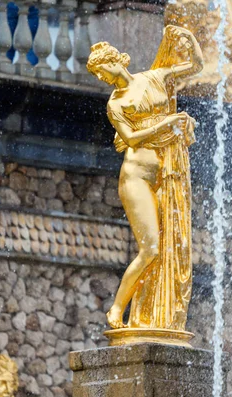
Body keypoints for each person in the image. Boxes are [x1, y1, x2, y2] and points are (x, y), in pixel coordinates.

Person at [86, 26, 203, 331]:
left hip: (166, 173)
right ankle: (116, 309)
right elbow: (132, 138)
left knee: (170, 246)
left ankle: (154, 313)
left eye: (102, 71)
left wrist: (190, 40)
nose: (102, 78)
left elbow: (196, 66)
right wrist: (167, 123)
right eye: (98, 75)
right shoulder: (116, 105)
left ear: (115, 62)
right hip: (136, 177)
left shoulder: (153, 77)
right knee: (150, 249)